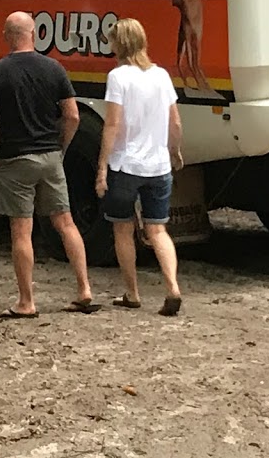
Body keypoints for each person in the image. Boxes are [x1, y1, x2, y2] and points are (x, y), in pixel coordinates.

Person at [0, 11, 99, 319]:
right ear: (34, 34)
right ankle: (84, 289)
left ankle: (26, 301)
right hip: (50, 158)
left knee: (21, 231)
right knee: (66, 223)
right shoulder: (54, 67)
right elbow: (72, 115)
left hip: (16, 159)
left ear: (6, 36)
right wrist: (61, 147)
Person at [95, 18, 184, 316]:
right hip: (158, 166)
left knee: (122, 229)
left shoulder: (118, 77)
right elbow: (175, 121)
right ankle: (172, 286)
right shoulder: (161, 75)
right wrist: (174, 151)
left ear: (118, 44)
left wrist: (102, 167)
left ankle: (132, 293)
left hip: (125, 164)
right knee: (158, 230)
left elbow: (112, 124)